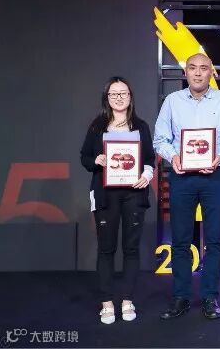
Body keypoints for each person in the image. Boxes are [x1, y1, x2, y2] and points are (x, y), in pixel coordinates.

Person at [153, 53, 220, 320]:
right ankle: (180, 296)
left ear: (211, 73)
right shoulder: (172, 101)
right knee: (181, 239)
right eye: (192, 68)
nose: (197, 73)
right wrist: (174, 156)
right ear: (186, 72)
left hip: (215, 175)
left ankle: (209, 297)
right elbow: (160, 140)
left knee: (214, 239)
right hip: (182, 177)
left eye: (203, 68)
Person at [80, 77, 155, 324]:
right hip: (105, 194)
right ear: (107, 98)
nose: (119, 97)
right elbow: (84, 157)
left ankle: (127, 300)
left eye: (123, 93)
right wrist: (96, 160)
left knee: (131, 248)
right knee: (106, 248)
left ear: (130, 97)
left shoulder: (141, 126)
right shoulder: (97, 126)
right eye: (114, 94)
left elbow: (149, 159)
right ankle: (107, 302)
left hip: (134, 193)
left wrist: (146, 175)